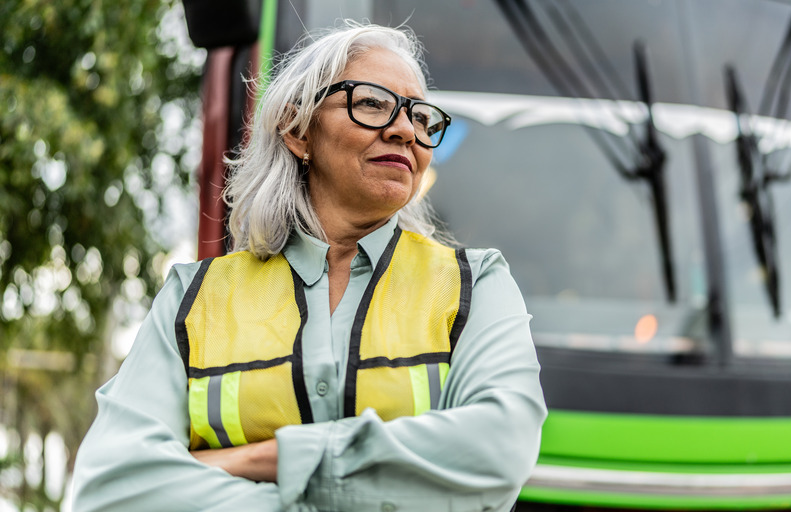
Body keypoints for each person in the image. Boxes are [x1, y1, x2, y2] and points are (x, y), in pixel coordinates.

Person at [70, 22, 546, 511]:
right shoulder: (192, 299)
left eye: (422, 118)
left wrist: (267, 459)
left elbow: (497, 450)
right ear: (298, 131)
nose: (406, 130)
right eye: (372, 103)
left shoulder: (474, 285)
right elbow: (111, 489)